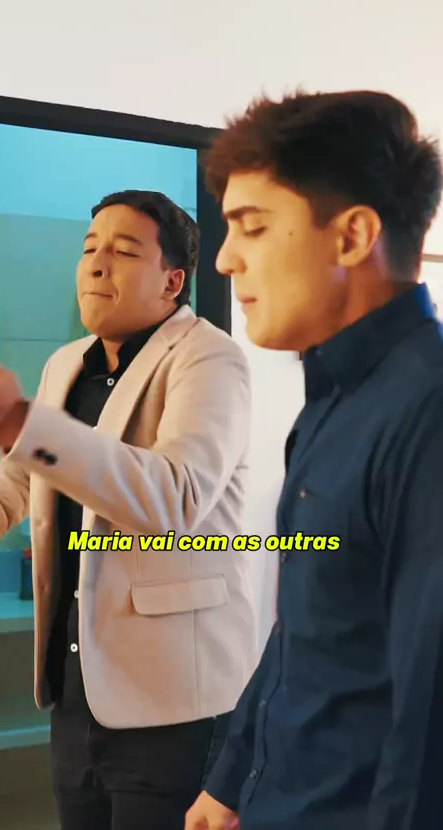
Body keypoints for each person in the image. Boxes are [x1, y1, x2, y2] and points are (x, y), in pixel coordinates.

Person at [185, 91, 443, 830]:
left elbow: (428, 724)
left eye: (253, 226)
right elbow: (308, 627)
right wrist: (231, 781)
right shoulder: (330, 398)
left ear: (353, 235)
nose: (226, 258)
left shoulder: (426, 413)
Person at [0, 189, 258, 830]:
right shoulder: (65, 363)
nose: (97, 264)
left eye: (124, 252)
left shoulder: (209, 357)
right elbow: (26, 469)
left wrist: (17, 422)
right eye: (90, 249)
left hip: (175, 698)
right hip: (77, 686)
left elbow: (175, 496)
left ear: (173, 280)